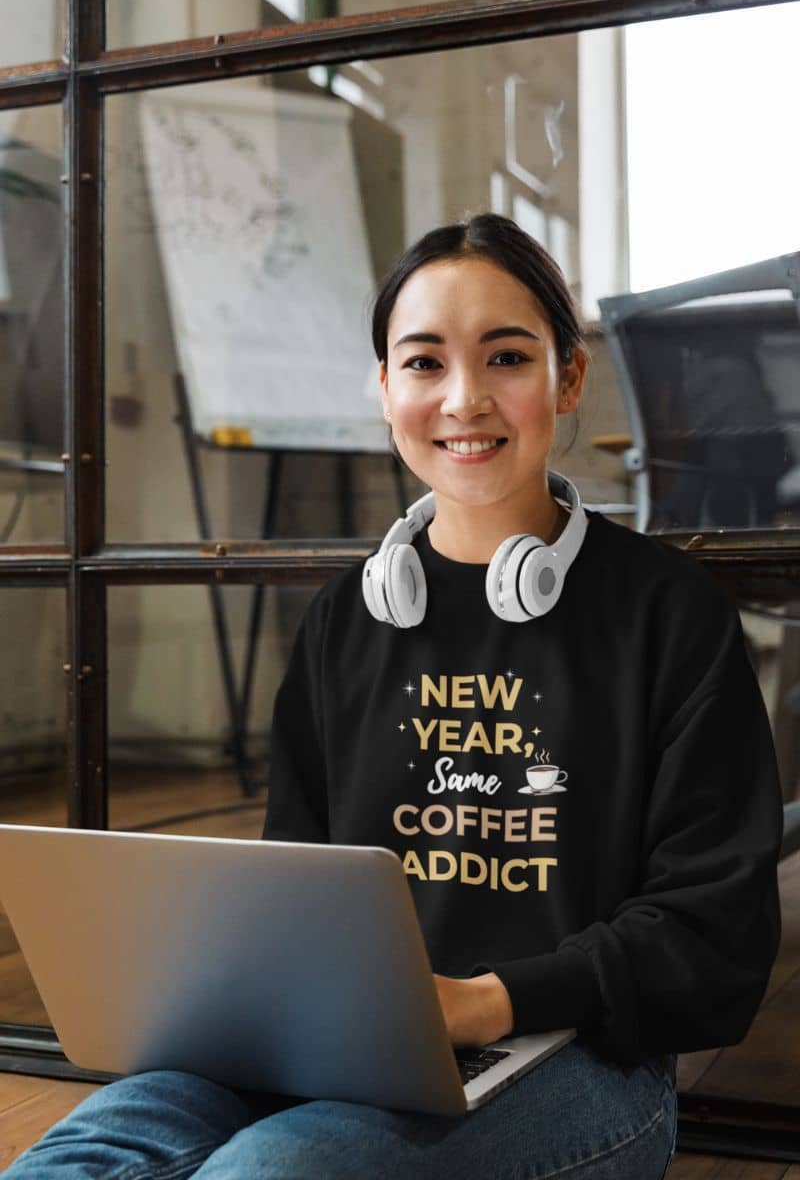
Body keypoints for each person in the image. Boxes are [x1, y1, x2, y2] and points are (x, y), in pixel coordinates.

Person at [7, 213, 783, 1178]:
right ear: (384, 390)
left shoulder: (667, 612)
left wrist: (486, 1001)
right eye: (423, 363)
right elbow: (290, 890)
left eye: (506, 357)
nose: (464, 399)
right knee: (74, 1160)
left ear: (567, 377)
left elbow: (713, 935)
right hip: (330, 1040)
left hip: (582, 1058)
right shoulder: (345, 622)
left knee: (268, 1173)